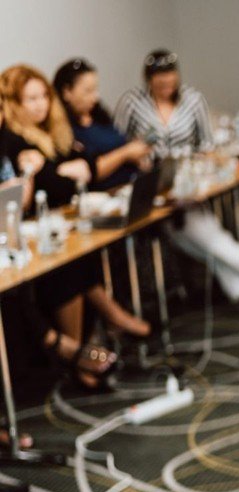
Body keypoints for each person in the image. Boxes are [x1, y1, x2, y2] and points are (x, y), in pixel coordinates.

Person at [0, 63, 151, 390]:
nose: (41, 104)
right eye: (31, 99)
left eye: (43, 96)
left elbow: (33, 193)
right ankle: (77, 347)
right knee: (65, 263)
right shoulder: (13, 140)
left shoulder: (46, 134)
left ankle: (81, 345)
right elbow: (54, 187)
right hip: (22, 238)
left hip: (23, 235)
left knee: (75, 253)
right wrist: (36, 176)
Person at [115, 49, 239, 308]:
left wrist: (202, 174)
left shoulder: (192, 100)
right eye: (159, 80)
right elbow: (117, 144)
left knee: (190, 229)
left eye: (170, 78)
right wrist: (136, 155)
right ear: (148, 79)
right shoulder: (132, 102)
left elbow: (207, 146)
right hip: (150, 183)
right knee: (193, 229)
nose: (166, 85)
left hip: (187, 179)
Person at [53, 58, 152, 191]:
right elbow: (90, 171)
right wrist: (126, 153)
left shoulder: (100, 117)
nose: (95, 97)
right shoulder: (64, 130)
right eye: (88, 91)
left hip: (131, 186)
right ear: (67, 92)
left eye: (95, 90)